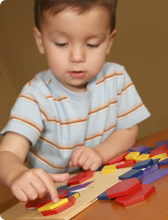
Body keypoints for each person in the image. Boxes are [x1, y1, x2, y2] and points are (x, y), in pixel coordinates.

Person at [0, 0, 150, 204]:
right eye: (62, 43)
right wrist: (16, 173)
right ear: (40, 40)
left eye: (92, 44)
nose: (77, 56)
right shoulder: (35, 96)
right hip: (54, 198)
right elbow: (7, 153)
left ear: (109, 41)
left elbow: (128, 130)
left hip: (104, 186)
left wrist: (100, 152)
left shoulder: (116, 78)